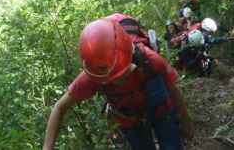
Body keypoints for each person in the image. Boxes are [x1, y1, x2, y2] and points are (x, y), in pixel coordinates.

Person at [43, 16, 193, 150]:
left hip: (158, 106)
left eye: (122, 74)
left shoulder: (150, 60)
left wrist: (187, 124)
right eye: (110, 80)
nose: (118, 81)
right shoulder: (94, 74)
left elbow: (173, 91)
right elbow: (60, 107)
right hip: (129, 117)